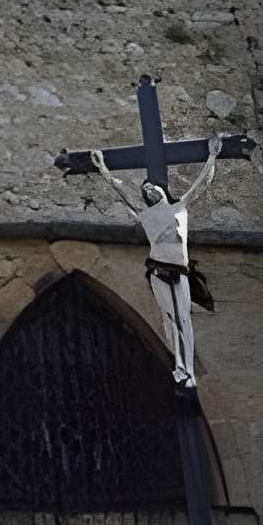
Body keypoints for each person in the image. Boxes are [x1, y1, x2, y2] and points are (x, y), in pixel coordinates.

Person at [90, 136, 224, 389]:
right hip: (157, 269)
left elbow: (201, 185)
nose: (150, 189)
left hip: (179, 270)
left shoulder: (178, 208)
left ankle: (189, 372)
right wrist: (103, 170)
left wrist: (212, 157)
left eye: (153, 186)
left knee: (184, 319)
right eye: (146, 189)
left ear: (163, 190)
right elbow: (123, 196)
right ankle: (180, 368)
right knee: (169, 319)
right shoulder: (146, 215)